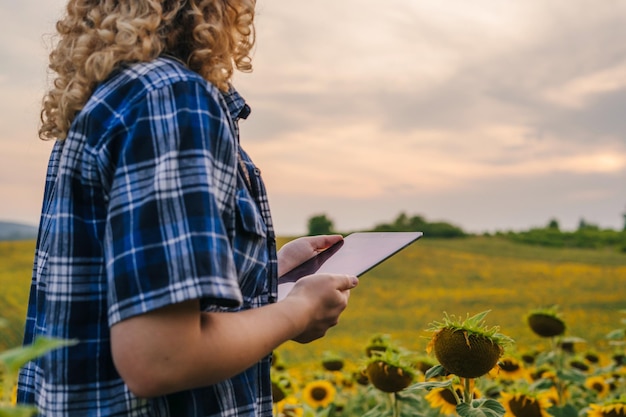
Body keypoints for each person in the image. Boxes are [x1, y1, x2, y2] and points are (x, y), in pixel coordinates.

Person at [17, 0, 358, 415]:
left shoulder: (104, 103)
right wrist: (299, 311)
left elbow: (123, 291)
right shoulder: (171, 99)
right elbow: (160, 359)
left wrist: (270, 273)